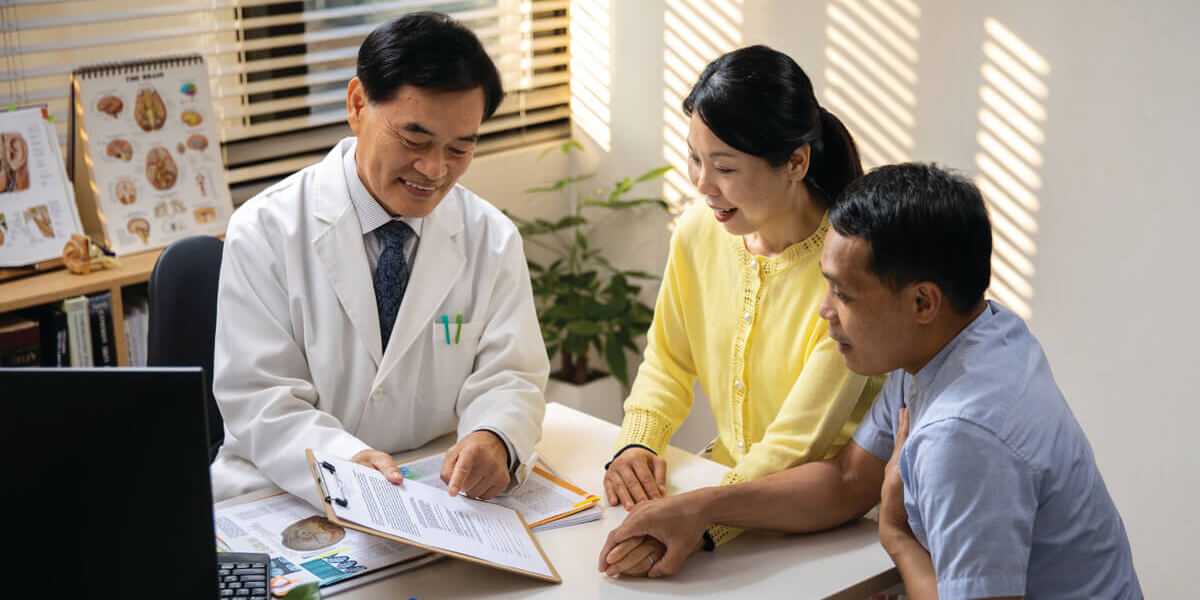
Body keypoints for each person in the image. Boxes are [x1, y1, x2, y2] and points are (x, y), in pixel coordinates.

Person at [598, 163, 1142, 599]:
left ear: (923, 301)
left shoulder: (963, 435)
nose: (823, 311)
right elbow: (846, 482)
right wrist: (704, 509)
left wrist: (898, 538)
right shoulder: (966, 338)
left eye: (843, 293)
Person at [210, 12, 549, 508]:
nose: (434, 170)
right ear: (357, 105)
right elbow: (262, 401)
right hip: (285, 489)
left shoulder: (490, 237)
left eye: (459, 148)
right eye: (414, 140)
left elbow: (511, 375)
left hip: (434, 491)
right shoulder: (265, 231)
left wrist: (495, 436)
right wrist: (346, 460)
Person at [601, 44, 885, 555]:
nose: (704, 185)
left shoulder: (846, 270)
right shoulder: (696, 233)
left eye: (725, 168)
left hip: (825, 525)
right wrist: (637, 443)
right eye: (694, 158)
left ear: (796, 161)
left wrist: (702, 519)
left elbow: (798, 445)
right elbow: (667, 362)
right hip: (723, 497)